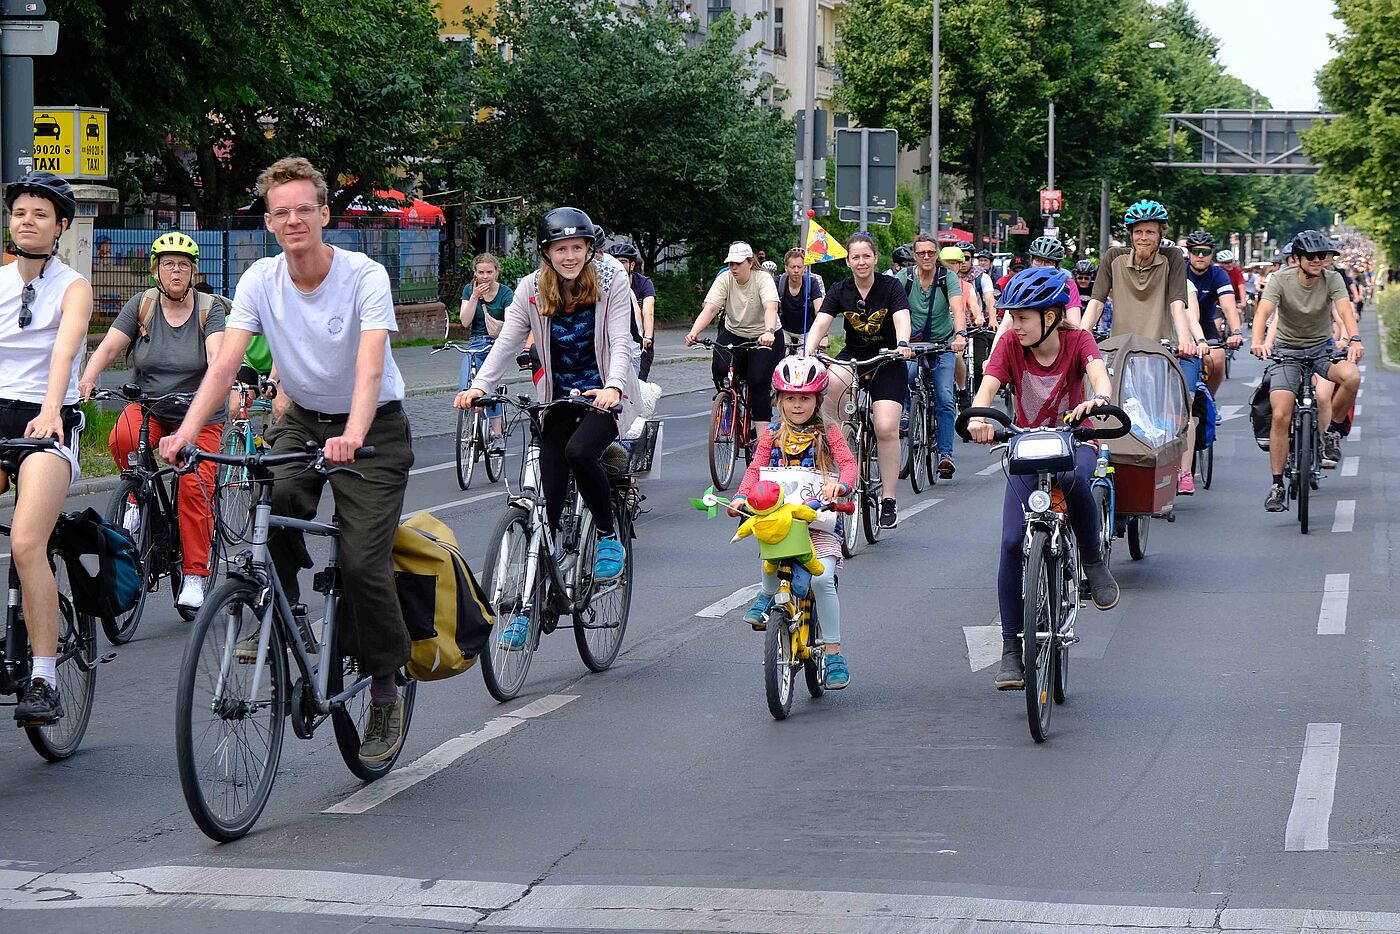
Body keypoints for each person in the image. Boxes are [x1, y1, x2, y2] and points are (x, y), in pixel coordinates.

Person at [159, 157, 415, 765]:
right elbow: (224, 365)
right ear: (269, 222)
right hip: (300, 420)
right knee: (268, 511)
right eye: (282, 211)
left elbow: (371, 365)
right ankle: (285, 613)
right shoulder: (259, 280)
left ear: (325, 214)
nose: (294, 219)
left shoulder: (363, 275)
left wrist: (352, 433)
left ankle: (384, 684)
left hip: (373, 424)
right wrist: (185, 434)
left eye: (305, 209)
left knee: (360, 560)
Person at [458, 207, 640, 645]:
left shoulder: (610, 285)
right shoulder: (531, 290)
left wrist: (614, 386)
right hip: (556, 399)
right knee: (549, 507)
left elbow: (621, 340)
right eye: (561, 249)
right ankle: (531, 602)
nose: (570, 256)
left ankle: (608, 536)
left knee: (580, 453)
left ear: (589, 250)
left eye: (578, 248)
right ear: (547, 252)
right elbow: (505, 344)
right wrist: (479, 387)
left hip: (603, 397)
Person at [966, 267, 1119, 691]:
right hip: (1024, 446)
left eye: (1022, 316)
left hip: (1075, 441)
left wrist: (1100, 400)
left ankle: (1091, 559)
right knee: (1012, 542)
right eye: (1011, 316)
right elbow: (987, 388)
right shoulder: (1010, 346)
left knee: (1074, 479)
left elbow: (1097, 375)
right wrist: (980, 417)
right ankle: (1012, 648)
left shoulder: (1078, 340)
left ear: (1051, 315)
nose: (1014, 324)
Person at [80, 232, 226, 611]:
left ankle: (194, 574)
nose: (175, 271)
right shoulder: (141, 305)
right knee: (124, 435)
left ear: (193, 271)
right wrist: (88, 378)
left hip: (201, 413)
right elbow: (110, 345)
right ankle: (136, 495)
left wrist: (225, 384)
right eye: (167, 264)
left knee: (194, 486)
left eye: (182, 264)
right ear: (156, 271)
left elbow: (216, 354)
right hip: (151, 407)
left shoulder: (210, 310)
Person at [0, 172, 91, 725]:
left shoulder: (73, 286)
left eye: (39, 213)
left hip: (46, 418)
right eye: (19, 212)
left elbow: (64, 351)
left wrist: (52, 411)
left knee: (28, 542)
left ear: (60, 227)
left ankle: (43, 676)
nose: (26, 220)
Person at [730, 357, 857, 688]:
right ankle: (765, 596)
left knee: (822, 580)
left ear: (818, 399)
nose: (797, 405)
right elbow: (755, 470)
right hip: (783, 524)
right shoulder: (771, 435)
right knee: (770, 553)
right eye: (790, 398)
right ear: (778, 400)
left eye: (804, 398)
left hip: (819, 525)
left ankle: (833, 654)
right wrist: (741, 498)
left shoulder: (829, 432)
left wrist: (840, 485)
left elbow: (848, 465)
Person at [1081, 199, 1200, 495]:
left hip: (1159, 349)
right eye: (1138, 232)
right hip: (1120, 351)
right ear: (1129, 234)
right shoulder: (1113, 258)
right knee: (1111, 410)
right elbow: (1096, 302)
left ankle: (1183, 472)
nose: (1144, 238)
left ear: (1161, 234)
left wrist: (1184, 339)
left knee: (1176, 409)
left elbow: (1177, 302)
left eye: (1150, 231)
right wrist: (1080, 335)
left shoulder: (1172, 258)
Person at [804, 232, 914, 529]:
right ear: (849, 261)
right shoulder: (841, 289)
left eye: (867, 256)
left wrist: (903, 343)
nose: (861, 262)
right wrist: (808, 352)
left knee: (886, 427)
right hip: (853, 357)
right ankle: (843, 449)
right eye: (856, 257)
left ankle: (888, 499)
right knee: (830, 381)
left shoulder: (891, 286)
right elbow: (821, 323)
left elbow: (902, 317)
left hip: (888, 359)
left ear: (875, 258)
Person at [1252, 229, 1363, 511]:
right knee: (1280, 412)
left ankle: (1332, 432)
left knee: (1351, 376)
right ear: (1297, 258)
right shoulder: (1280, 279)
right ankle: (1277, 484)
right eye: (1312, 256)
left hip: (1322, 351)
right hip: (1287, 353)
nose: (1319, 261)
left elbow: (1345, 310)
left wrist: (1355, 338)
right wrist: (1257, 342)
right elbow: (1264, 311)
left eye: (1324, 256)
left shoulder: (1332, 278)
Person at [684, 241, 780, 432]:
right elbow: (711, 308)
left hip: (764, 334)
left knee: (758, 381)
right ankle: (727, 403)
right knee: (720, 367)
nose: (733, 268)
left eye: (737, 263)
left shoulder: (762, 278)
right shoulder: (725, 279)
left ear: (750, 262)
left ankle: (761, 438)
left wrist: (769, 332)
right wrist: (694, 332)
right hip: (734, 331)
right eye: (730, 264)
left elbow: (771, 307)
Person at [895, 233, 965, 479]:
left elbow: (957, 307)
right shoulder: (905, 278)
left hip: (943, 344)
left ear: (937, 254)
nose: (926, 257)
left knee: (945, 396)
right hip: (912, 344)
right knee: (906, 373)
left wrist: (960, 335)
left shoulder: (948, 277)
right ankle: (906, 412)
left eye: (931, 252)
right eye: (921, 253)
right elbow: (893, 307)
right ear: (914, 256)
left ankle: (946, 454)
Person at [456, 252, 514, 450]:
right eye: (481, 272)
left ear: (496, 272)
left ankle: (497, 435)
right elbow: (465, 321)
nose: (485, 276)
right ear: (475, 273)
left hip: (496, 344)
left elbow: (510, 324)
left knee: (490, 388)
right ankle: (471, 424)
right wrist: (474, 297)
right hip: (475, 343)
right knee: (466, 385)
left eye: (489, 272)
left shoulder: (505, 293)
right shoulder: (468, 290)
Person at [1183, 232, 1244, 402]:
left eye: (1205, 251)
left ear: (1212, 254)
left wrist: (1236, 331)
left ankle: (1209, 401)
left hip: (1206, 324)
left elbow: (1228, 306)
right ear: (1189, 253)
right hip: (1180, 325)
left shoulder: (1219, 274)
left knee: (1218, 360)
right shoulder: (1179, 271)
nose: (1200, 256)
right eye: (1196, 251)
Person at [605, 243, 656, 380]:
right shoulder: (604, 283)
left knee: (638, 386)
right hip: (615, 339)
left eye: (622, 262)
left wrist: (648, 337)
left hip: (640, 341)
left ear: (632, 265)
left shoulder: (643, 283)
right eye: (614, 261)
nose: (617, 266)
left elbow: (648, 311)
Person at [776, 246, 823, 351]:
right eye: (792, 267)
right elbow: (771, 307)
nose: (796, 270)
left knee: (806, 361)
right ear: (786, 268)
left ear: (804, 268)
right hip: (784, 330)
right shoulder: (779, 282)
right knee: (779, 361)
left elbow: (819, 310)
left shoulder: (811, 283)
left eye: (799, 267)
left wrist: (823, 335)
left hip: (807, 331)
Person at [1026, 236, 1081, 324]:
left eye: (1048, 262)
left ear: (1056, 265)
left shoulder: (1067, 284)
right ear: (1031, 261)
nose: (1042, 266)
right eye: (1038, 260)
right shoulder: (1022, 282)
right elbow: (1007, 322)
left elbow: (1074, 322)